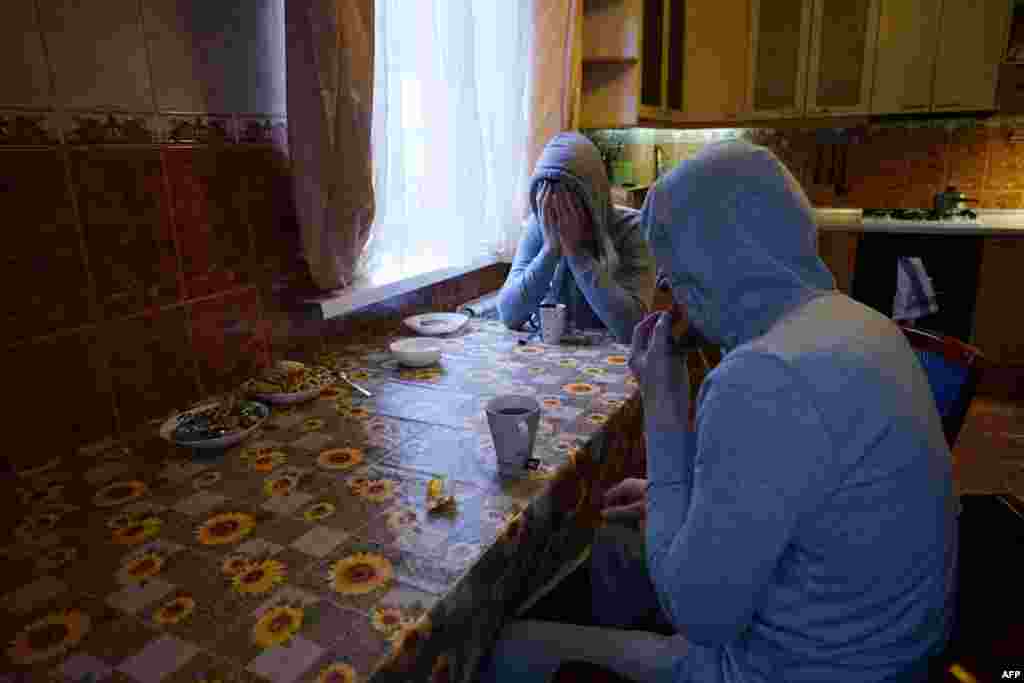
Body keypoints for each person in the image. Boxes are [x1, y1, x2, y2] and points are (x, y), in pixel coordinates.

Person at [481, 141, 957, 682]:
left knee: (512, 648)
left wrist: (663, 407)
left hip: (802, 670)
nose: (666, 287)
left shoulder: (762, 378)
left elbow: (700, 615)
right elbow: (785, 488)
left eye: (676, 269)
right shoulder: (861, 323)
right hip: (898, 647)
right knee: (614, 541)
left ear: (717, 262)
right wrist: (681, 496)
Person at [497, 132, 656, 344]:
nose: (558, 219)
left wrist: (575, 252)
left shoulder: (633, 230)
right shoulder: (542, 224)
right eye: (549, 208)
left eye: (568, 208)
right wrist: (550, 250)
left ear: (593, 201)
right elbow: (509, 314)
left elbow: (631, 329)